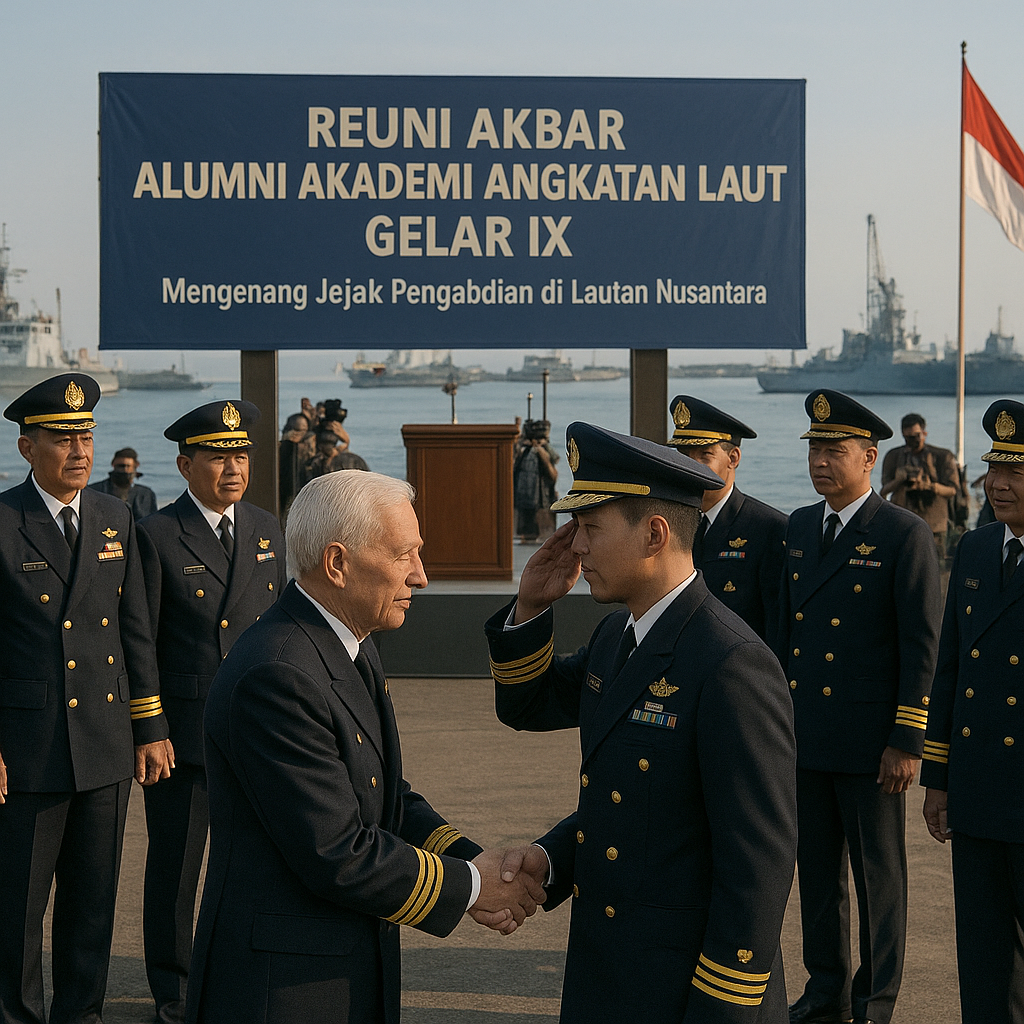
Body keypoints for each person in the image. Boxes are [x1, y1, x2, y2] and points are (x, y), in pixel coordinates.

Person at [186, 470, 545, 1024]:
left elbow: (383, 792)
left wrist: (470, 858)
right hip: (282, 987)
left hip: (336, 963)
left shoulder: (346, 644)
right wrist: (475, 887)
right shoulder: (278, 673)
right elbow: (336, 850)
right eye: (404, 555)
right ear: (338, 563)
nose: (421, 577)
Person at [486, 421, 797, 1023]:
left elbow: (757, 864)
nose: (576, 548)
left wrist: (722, 1005)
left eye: (591, 529)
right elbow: (530, 708)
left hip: (686, 992)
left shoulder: (731, 662)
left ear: (655, 533)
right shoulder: (617, 637)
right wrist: (530, 607)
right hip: (610, 975)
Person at [0, 374, 172, 1024]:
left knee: (92, 909)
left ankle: (83, 1017)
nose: (79, 450)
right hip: (28, 751)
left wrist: (150, 726)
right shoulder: (4, 523)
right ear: (26, 447)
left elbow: (136, 631)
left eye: (87, 436)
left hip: (103, 747)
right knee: (18, 914)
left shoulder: (115, 517)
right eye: (62, 437)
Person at [780, 390, 941, 1024]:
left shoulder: (903, 533)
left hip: (873, 743)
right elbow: (783, 636)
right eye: (815, 450)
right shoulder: (797, 528)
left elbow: (920, 642)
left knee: (879, 882)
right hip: (806, 736)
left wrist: (908, 740)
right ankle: (826, 995)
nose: (820, 462)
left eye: (834, 451)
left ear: (870, 458)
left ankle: (875, 1002)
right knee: (818, 880)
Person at [135, 400, 287, 1024]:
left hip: (258, 727)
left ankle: (240, 972)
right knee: (177, 865)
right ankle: (173, 987)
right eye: (219, 456)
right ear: (184, 464)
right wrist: (150, 727)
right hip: (187, 730)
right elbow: (138, 636)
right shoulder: (157, 533)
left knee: (259, 859)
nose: (233, 467)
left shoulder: (267, 529)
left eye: (241, 455)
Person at [922, 399, 1024, 1023]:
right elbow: (950, 668)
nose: (1001, 484)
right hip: (981, 787)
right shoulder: (980, 550)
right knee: (984, 954)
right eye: (995, 469)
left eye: (1017, 471)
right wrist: (939, 778)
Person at [666, 394, 788, 645]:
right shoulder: (668, 524)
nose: (690, 466)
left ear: (733, 459)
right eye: (684, 454)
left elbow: (777, 627)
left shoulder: (769, 528)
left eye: (704, 455)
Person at [880, 413, 960, 563]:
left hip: (934, 525)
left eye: (916, 436)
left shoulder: (942, 456)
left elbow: (952, 490)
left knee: (935, 568)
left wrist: (930, 486)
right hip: (902, 523)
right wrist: (899, 480)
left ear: (924, 433)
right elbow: (884, 491)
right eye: (907, 437)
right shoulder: (894, 456)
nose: (912, 441)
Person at [513, 419, 559, 543]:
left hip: (539, 501)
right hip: (523, 500)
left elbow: (552, 475)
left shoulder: (542, 452)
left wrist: (540, 449)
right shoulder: (523, 452)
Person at [89, 446, 158, 519]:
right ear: (113, 465)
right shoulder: (94, 490)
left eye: (128, 466)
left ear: (136, 466)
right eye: (121, 466)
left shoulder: (146, 494)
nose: (125, 470)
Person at [278, 411, 314, 516]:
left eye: (305, 432)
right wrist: (287, 446)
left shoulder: (310, 457)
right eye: (298, 431)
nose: (303, 438)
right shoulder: (281, 452)